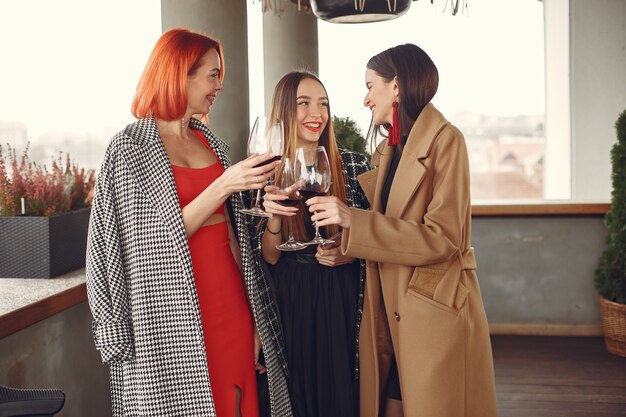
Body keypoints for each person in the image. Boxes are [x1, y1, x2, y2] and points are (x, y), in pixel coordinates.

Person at [86, 28, 291, 417]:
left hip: (230, 307)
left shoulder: (211, 143)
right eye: (212, 75)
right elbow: (143, 246)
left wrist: (253, 317)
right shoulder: (129, 149)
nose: (219, 85)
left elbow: (234, 238)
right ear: (181, 73)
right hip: (166, 321)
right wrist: (224, 185)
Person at [307, 44, 498, 417]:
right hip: (389, 307)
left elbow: (442, 238)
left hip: (430, 309)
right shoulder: (388, 150)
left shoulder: (447, 140)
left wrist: (353, 220)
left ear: (396, 86)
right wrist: (350, 248)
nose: (365, 98)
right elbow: (393, 231)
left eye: (370, 85)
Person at [256, 71, 370, 417]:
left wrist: (348, 253)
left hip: (341, 297)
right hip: (290, 303)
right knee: (297, 399)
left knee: (342, 397)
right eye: (303, 104)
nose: (315, 113)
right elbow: (268, 259)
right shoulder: (262, 172)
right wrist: (275, 215)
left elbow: (374, 236)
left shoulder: (353, 165)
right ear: (284, 111)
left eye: (323, 104)